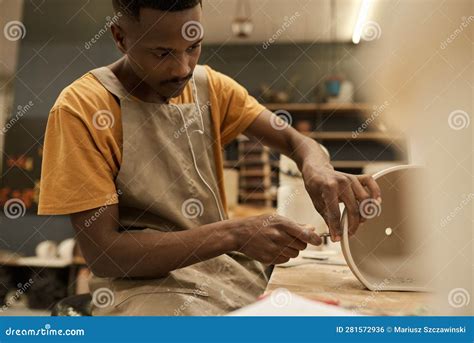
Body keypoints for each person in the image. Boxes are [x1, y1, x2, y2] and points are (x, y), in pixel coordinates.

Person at [38, 0, 381, 315]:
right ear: (120, 37)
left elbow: (295, 140)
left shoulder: (209, 87)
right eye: (161, 53)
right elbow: (105, 255)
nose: (182, 68)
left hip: (223, 271)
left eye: (193, 47)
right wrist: (236, 234)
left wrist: (317, 167)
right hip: (141, 289)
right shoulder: (81, 110)